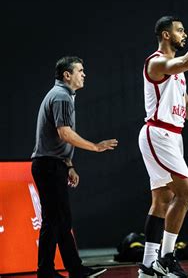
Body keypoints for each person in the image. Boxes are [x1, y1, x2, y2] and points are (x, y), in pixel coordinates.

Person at [137, 14, 188, 278]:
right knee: (187, 193)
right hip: (158, 133)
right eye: (180, 31)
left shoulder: (175, 72)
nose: (185, 34)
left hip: (172, 134)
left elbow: (186, 103)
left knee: (162, 200)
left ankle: (148, 265)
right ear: (166, 35)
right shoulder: (157, 62)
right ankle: (167, 257)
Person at [31, 56, 118, 278]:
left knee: (61, 219)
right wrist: (96, 147)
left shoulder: (62, 95)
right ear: (67, 75)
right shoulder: (61, 96)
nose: (84, 74)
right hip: (48, 165)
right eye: (80, 70)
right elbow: (64, 133)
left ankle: (74, 269)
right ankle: (47, 271)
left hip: (53, 164)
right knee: (54, 220)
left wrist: (69, 165)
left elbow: (57, 138)